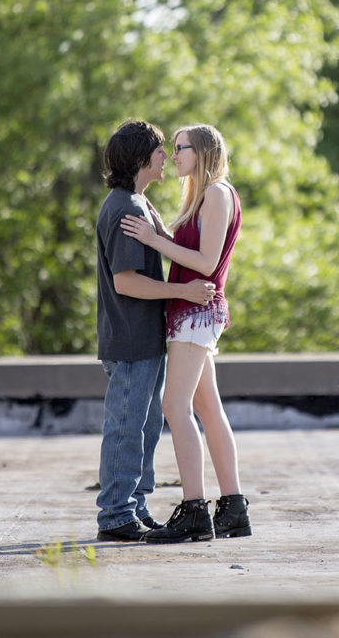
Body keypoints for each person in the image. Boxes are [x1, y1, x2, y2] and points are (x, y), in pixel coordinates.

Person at [120, 122, 251, 543]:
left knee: (174, 406)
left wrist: (154, 240)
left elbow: (208, 263)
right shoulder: (206, 193)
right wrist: (161, 231)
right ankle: (232, 508)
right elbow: (193, 251)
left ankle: (195, 510)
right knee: (207, 407)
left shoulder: (216, 193)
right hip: (192, 312)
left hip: (196, 312)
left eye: (181, 148)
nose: (173, 156)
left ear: (204, 150)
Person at [95, 119, 216, 542]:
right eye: (161, 151)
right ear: (142, 158)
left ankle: (135, 507)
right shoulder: (125, 206)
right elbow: (125, 282)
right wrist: (183, 289)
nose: (167, 157)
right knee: (127, 428)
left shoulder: (141, 204)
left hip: (145, 340)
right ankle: (114, 515)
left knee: (145, 429)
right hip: (129, 340)